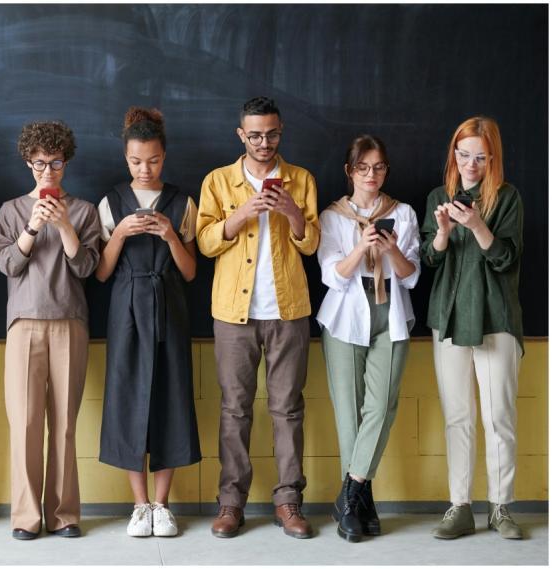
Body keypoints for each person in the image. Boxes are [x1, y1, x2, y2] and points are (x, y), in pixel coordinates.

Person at [196, 96, 319, 539]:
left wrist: (292, 214)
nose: (264, 142)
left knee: (287, 409)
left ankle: (289, 502)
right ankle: (231, 504)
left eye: (272, 134)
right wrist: (241, 215)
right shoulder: (218, 181)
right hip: (233, 313)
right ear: (241, 135)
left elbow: (311, 246)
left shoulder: (300, 179)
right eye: (255, 135)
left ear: (281, 132)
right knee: (235, 410)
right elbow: (206, 243)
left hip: (289, 311)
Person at [96, 107, 202, 538]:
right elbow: (101, 273)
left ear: (164, 156)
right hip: (126, 308)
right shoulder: (111, 201)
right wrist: (120, 233)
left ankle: (163, 503)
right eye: (137, 161)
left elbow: (192, 272)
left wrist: (169, 235)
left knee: (171, 398)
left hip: (169, 305)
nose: (145, 169)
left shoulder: (181, 202)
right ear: (126, 158)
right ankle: (139, 505)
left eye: (153, 160)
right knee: (127, 399)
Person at [0, 120, 101, 540]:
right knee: (24, 424)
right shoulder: (11, 210)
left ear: (66, 162)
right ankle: (25, 517)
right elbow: (8, 265)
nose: (47, 172)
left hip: (69, 323)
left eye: (55, 163)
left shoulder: (84, 210)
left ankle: (65, 514)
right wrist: (33, 226)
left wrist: (64, 225)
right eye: (39, 164)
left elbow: (86, 267)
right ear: (28, 163)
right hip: (23, 325)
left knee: (65, 425)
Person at [423, 117, 525, 540]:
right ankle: (459, 506)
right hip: (448, 318)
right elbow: (430, 261)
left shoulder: (507, 198)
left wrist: (477, 225)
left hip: (496, 317)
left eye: (480, 157)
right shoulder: (438, 196)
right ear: (454, 154)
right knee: (458, 417)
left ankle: (501, 507)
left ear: (492, 158)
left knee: (499, 416)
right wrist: (445, 232)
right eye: (464, 154)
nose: (470, 164)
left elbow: (506, 260)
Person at [316, 135, 420, 542]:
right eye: (363, 168)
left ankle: (347, 497)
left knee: (382, 407)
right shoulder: (333, 216)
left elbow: (410, 277)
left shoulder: (405, 213)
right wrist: (361, 247)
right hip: (344, 316)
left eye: (379, 167)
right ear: (350, 171)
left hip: (390, 312)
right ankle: (362, 504)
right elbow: (332, 276)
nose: (372, 175)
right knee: (350, 417)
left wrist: (391, 249)